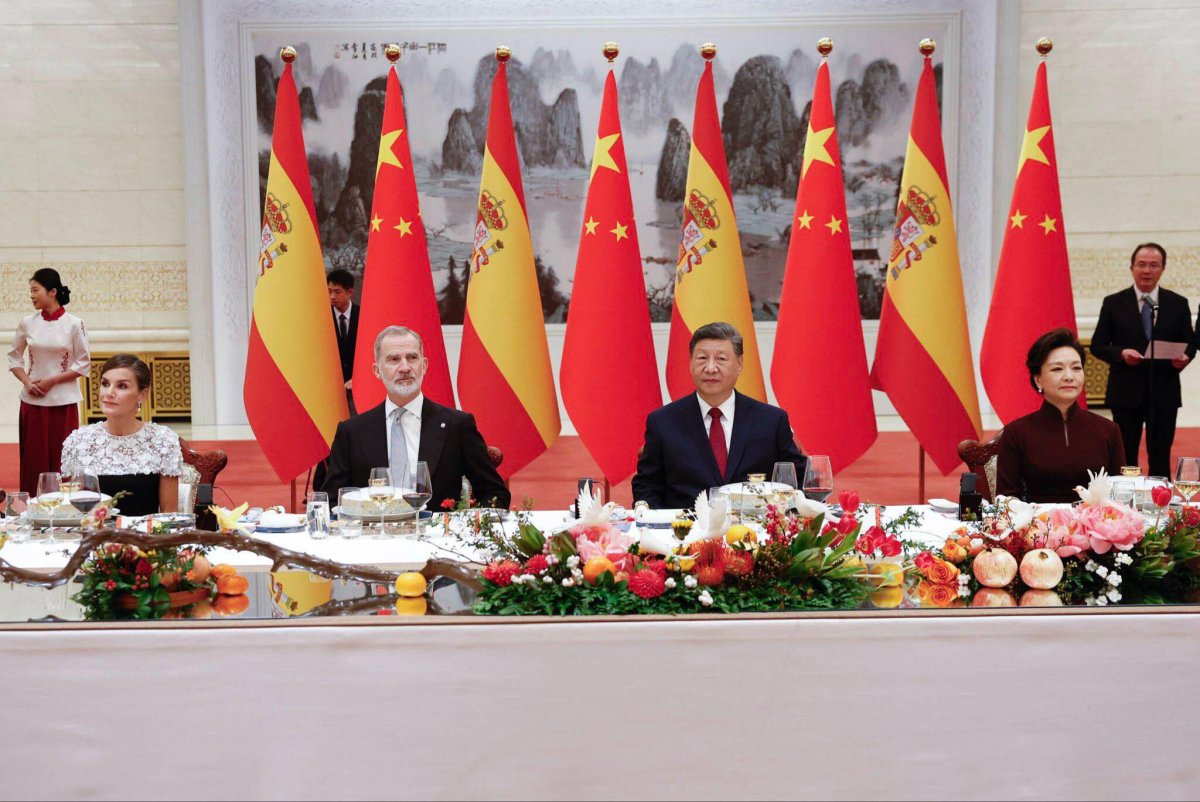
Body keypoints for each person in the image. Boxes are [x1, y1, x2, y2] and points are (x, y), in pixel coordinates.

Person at [322, 325, 509, 509]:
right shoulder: (351, 432)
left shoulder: (457, 426)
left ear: (424, 365)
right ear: (377, 370)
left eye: (412, 357)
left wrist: (461, 529)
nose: (405, 367)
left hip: (436, 537)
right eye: (394, 359)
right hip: (374, 537)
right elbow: (331, 502)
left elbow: (496, 494)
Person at [632, 322, 807, 509]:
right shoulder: (663, 422)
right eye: (702, 358)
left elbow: (798, 482)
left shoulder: (771, 421)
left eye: (721, 359)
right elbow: (647, 486)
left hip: (755, 532)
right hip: (686, 533)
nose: (710, 368)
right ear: (690, 363)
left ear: (739, 364)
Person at [1090, 242, 1195, 477]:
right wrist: (1120, 354)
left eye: (1153, 265)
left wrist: (1185, 358)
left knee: (1160, 453)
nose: (1147, 270)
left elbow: (1190, 343)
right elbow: (1098, 345)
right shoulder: (1113, 302)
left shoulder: (1177, 303)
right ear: (1132, 268)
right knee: (1125, 454)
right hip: (1125, 391)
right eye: (1141, 264)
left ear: (1163, 269)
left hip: (1164, 391)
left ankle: (1160, 502)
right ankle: (1126, 506)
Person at [997, 328, 1125, 503]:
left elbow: (1119, 494)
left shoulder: (1109, 430)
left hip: (1095, 527)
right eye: (1057, 369)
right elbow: (1006, 498)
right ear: (1038, 379)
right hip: (1038, 525)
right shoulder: (1016, 432)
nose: (1069, 376)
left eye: (1076, 368)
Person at [60, 354, 182, 516]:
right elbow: (72, 512)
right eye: (105, 384)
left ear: (143, 394)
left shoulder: (163, 440)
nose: (109, 393)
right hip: (93, 538)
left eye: (122, 386)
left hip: (145, 538)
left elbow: (169, 514)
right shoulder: (78, 441)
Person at [7, 268, 90, 493]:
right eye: (30, 291)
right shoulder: (27, 323)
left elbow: (83, 364)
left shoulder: (74, 324)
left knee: (64, 458)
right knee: (33, 458)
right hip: (32, 403)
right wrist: (27, 381)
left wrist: (52, 380)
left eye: (35, 290)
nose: (31, 295)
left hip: (63, 403)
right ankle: (32, 505)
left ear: (52, 291)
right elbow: (13, 358)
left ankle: (66, 506)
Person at [328, 269, 359, 415]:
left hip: (359, 388)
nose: (332, 296)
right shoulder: (322, 317)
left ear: (350, 292)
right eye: (329, 291)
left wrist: (358, 377)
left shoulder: (363, 315)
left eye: (337, 292)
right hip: (330, 389)